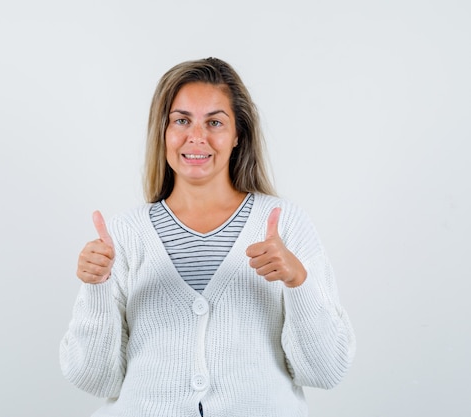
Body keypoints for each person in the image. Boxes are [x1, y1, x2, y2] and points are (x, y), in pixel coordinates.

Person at [60, 57, 355, 416]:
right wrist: (96, 289)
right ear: (163, 132)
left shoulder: (285, 223)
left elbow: (327, 370)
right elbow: (95, 380)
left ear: (237, 136)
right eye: (181, 120)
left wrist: (298, 282)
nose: (196, 137)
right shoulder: (124, 234)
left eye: (214, 122)